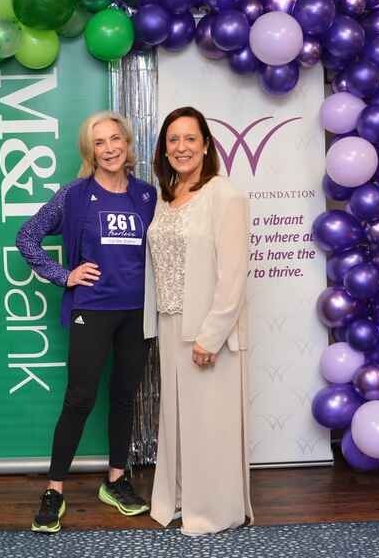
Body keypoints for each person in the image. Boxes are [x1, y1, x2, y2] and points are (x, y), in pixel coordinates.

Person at [16, 110, 157, 534]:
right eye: (100, 142)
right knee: (79, 399)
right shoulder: (74, 195)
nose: (110, 148)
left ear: (128, 145)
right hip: (91, 310)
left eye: (117, 139)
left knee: (124, 397)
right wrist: (64, 275)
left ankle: (116, 479)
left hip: (137, 313)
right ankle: (55, 490)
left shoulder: (148, 196)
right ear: (89, 150)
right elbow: (27, 237)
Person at [146, 106, 253, 535]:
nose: (181, 147)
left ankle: (213, 510)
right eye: (173, 140)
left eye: (190, 138)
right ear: (164, 149)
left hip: (208, 331)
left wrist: (212, 334)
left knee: (210, 425)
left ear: (206, 145)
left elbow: (234, 274)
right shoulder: (166, 197)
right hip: (170, 324)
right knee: (176, 425)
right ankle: (178, 500)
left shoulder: (224, 194)